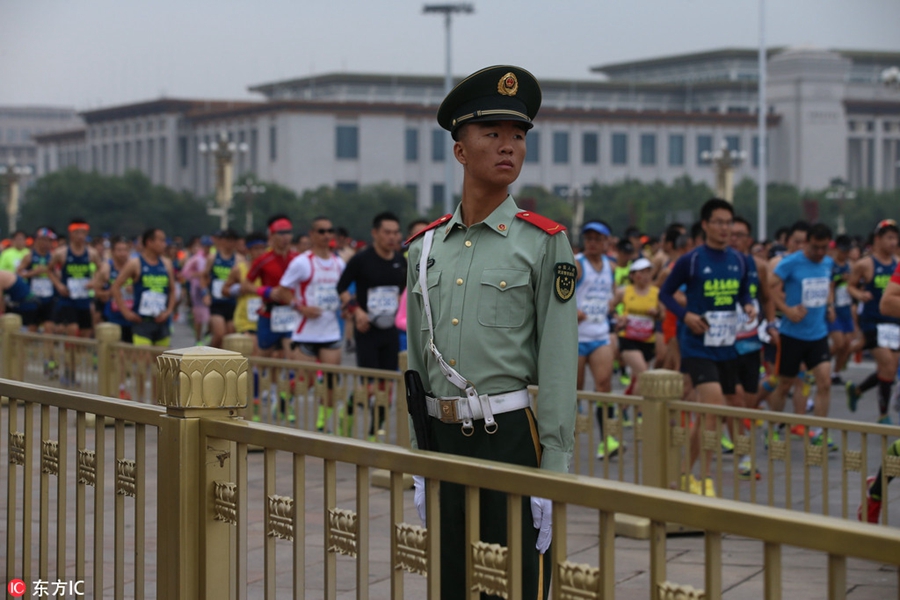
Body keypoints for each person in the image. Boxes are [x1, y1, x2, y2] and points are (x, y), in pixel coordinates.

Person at [405, 65, 577, 599]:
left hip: (508, 441)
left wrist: (553, 467)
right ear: (460, 151)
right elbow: (415, 359)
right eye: (493, 135)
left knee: (515, 586)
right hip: (442, 440)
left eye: (519, 137)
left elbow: (557, 360)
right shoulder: (425, 247)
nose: (509, 147)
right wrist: (417, 455)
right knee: (451, 581)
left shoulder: (543, 242)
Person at [659, 198, 755, 497]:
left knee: (715, 411)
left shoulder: (739, 260)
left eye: (729, 223)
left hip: (727, 346)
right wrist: (685, 315)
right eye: (719, 222)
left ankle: (685, 471)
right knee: (714, 406)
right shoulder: (692, 260)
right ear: (705, 225)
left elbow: (742, 294)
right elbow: (665, 293)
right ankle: (705, 477)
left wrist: (749, 306)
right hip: (698, 346)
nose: (725, 228)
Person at [767, 223, 836, 449]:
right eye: (815, 247)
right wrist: (786, 309)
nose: (819, 253)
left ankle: (819, 432)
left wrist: (830, 305)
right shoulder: (791, 263)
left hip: (818, 333)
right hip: (792, 334)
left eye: (824, 248)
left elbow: (829, 284)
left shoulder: (827, 262)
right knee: (785, 384)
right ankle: (773, 428)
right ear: (806, 243)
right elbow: (768, 288)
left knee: (824, 381)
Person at [273, 217, 345, 432]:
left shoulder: (338, 263)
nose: (326, 235)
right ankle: (285, 398)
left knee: (331, 381)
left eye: (329, 231)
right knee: (307, 381)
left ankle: (322, 423)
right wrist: (301, 307)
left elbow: (343, 291)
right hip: (305, 332)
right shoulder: (303, 262)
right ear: (312, 235)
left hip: (330, 331)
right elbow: (282, 290)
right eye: (321, 231)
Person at [337, 211, 406, 437]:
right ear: (375, 233)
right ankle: (345, 415)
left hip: (390, 331)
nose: (392, 237)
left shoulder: (399, 260)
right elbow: (342, 288)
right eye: (387, 232)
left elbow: (404, 291)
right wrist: (356, 311)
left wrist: (400, 302)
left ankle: (375, 432)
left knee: (386, 387)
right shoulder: (361, 259)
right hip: (366, 330)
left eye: (395, 232)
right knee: (369, 387)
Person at [846, 219, 900, 424]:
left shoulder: (897, 262)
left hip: (894, 322)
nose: (893, 242)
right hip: (873, 321)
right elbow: (850, 286)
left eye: (895, 238)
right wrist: (859, 294)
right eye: (889, 238)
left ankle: (858, 390)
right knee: (886, 364)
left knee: (890, 369)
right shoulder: (865, 264)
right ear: (877, 239)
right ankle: (884, 415)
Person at [574, 221, 617, 457]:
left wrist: (613, 306)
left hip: (600, 335)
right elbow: (559, 292)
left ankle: (607, 440)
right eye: (588, 238)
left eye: (597, 239)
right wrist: (574, 310)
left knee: (604, 388)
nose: (592, 243)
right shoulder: (577, 264)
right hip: (578, 338)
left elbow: (613, 293)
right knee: (576, 391)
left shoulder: (610, 266)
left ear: (607, 243)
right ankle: (566, 441)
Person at [112, 228, 176, 347]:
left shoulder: (166, 263)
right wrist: (126, 312)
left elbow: (172, 290)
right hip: (142, 322)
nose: (165, 244)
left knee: (160, 363)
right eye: (161, 241)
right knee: (144, 360)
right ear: (149, 242)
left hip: (161, 321)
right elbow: (116, 287)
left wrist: (168, 312)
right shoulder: (135, 263)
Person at [48, 218, 103, 339]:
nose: (80, 236)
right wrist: (58, 285)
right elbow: (49, 269)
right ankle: (69, 356)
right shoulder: (61, 253)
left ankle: (79, 357)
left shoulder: (91, 253)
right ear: (71, 234)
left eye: (83, 233)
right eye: (77, 232)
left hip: (83, 296)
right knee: (72, 329)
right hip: (67, 297)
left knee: (86, 331)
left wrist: (94, 281)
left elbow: (101, 269)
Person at [203, 229, 240, 348]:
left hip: (232, 302)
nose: (231, 244)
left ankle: (221, 361)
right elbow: (204, 277)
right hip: (216, 302)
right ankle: (210, 356)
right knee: (219, 333)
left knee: (229, 335)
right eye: (229, 240)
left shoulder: (239, 259)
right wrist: (205, 294)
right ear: (223, 241)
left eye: (234, 241)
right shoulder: (213, 257)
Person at [17, 227, 58, 335]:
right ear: (38, 240)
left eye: (50, 241)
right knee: (32, 328)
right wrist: (33, 273)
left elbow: (58, 274)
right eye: (45, 240)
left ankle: (48, 352)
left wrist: (52, 273)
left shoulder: (53, 257)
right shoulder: (29, 257)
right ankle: (29, 351)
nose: (47, 243)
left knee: (49, 327)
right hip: (33, 297)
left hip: (49, 297)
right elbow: (18, 274)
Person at [828, 235, 856, 384]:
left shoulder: (850, 265)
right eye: (843, 250)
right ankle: (818, 363)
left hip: (846, 307)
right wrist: (839, 279)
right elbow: (829, 286)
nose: (845, 254)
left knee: (846, 345)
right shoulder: (830, 264)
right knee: (838, 343)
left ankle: (836, 373)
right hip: (835, 308)